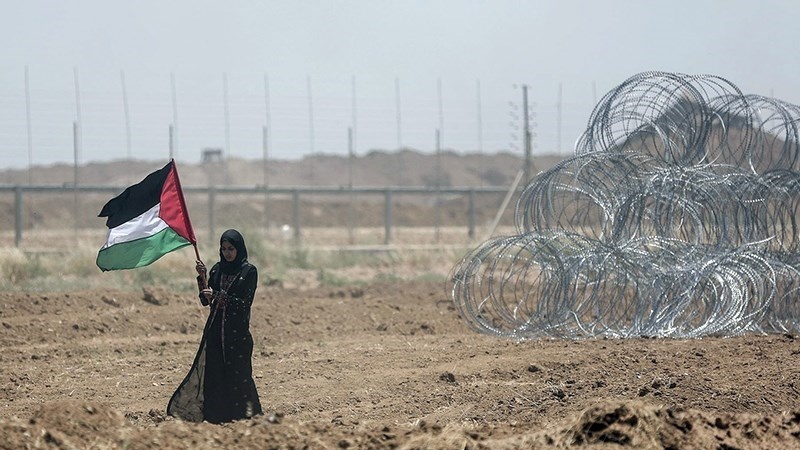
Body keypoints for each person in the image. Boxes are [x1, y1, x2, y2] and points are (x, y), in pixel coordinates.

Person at [167, 229, 263, 423]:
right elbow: (205, 300)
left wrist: (218, 296)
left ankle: (246, 416)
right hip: (215, 334)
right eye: (224, 248)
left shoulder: (249, 271)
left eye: (231, 249)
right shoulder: (216, 270)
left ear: (239, 249)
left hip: (237, 335)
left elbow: (244, 304)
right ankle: (217, 416)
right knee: (216, 375)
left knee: (239, 375)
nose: (227, 253)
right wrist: (202, 278)